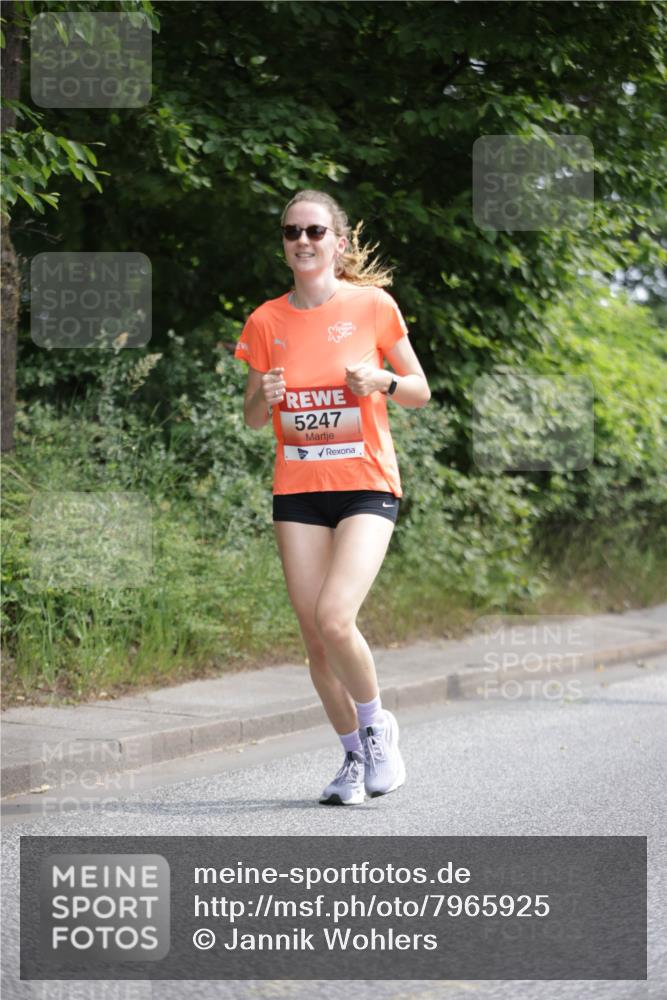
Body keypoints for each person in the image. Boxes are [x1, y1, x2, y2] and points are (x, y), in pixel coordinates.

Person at [234, 189, 430, 805]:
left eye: (316, 231)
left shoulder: (372, 307)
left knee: (335, 616)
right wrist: (263, 394)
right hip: (298, 492)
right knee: (314, 638)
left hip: (366, 483)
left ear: (338, 242)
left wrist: (383, 379)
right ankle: (352, 758)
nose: (303, 241)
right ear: (283, 243)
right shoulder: (266, 321)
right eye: (292, 232)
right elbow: (250, 420)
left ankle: (377, 728)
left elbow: (419, 389)